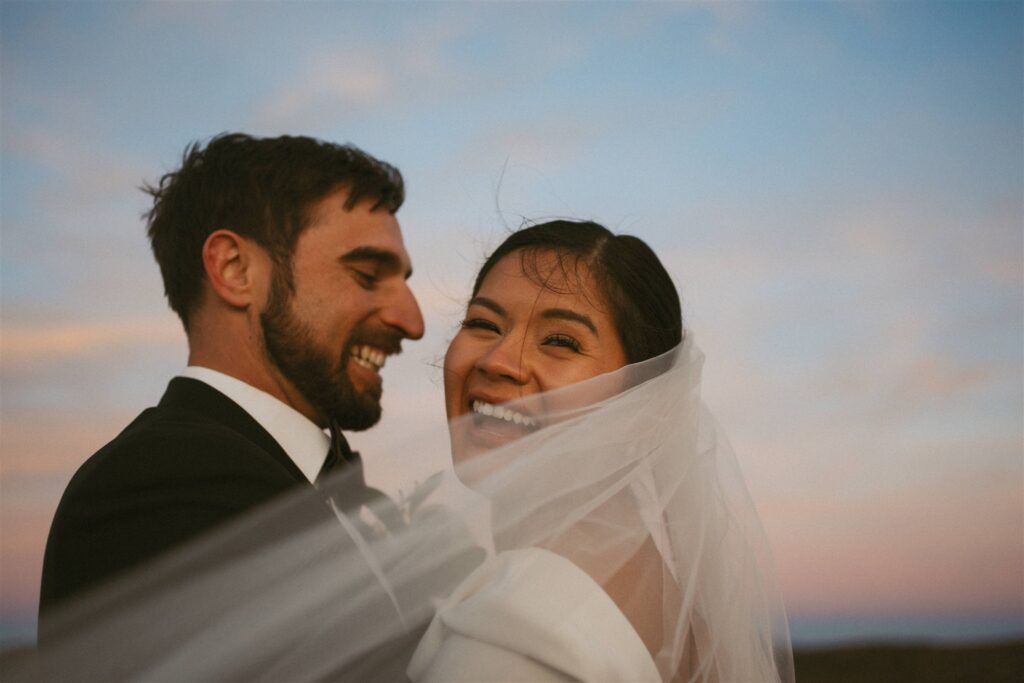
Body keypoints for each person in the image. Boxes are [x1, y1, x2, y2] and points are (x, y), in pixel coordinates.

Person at [25, 219, 791, 683]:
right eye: (485, 323)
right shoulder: (671, 592)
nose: (497, 360)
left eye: (560, 340)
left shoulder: (529, 605)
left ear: (638, 397)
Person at [38, 133, 425, 637]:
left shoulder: (319, 486)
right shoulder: (159, 487)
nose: (412, 321)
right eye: (368, 275)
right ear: (235, 270)